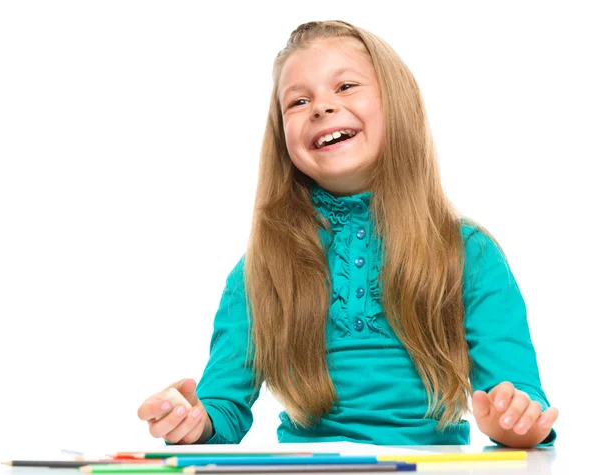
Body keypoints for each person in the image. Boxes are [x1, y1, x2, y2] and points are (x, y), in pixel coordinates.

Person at [137, 20, 558, 448]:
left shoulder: (469, 254)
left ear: (397, 104)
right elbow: (221, 408)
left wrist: (515, 421)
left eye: (345, 86)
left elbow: (520, 400)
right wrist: (192, 420)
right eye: (298, 101)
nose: (321, 107)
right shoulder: (260, 271)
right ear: (283, 140)